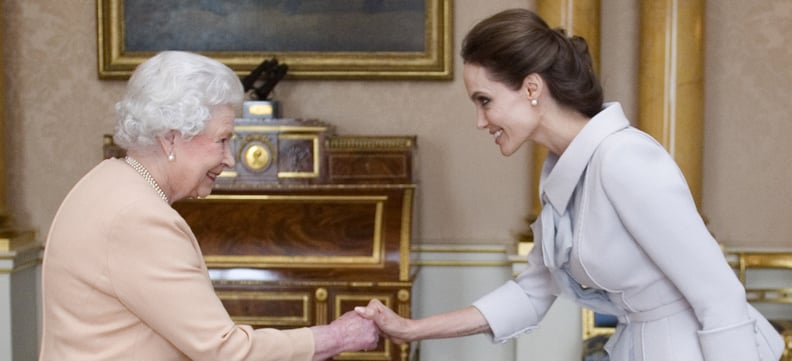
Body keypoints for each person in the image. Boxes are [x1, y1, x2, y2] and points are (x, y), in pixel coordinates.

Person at [356, 8, 784, 361]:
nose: (480, 121)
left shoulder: (623, 159)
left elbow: (721, 295)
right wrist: (412, 330)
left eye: (484, 101)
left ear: (531, 88)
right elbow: (532, 294)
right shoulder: (564, 174)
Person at [39, 51, 378, 361]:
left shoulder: (107, 180)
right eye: (222, 140)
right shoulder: (140, 218)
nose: (229, 159)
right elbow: (226, 352)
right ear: (172, 137)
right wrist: (334, 336)